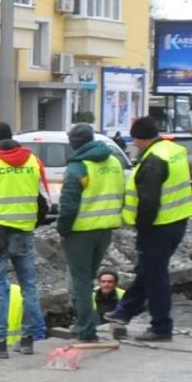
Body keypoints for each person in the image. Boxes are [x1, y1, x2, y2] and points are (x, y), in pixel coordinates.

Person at [106, 115, 192, 342]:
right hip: (177, 220)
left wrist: (141, 228)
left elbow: (148, 203)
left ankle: (161, 327)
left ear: (141, 139)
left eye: (135, 140)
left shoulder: (154, 161)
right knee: (147, 270)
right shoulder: (173, 150)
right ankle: (124, 312)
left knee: (156, 277)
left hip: (158, 227)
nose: (134, 144)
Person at [0, 121, 49, 358]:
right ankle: (27, 340)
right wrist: (33, 223)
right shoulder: (33, 161)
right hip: (23, 232)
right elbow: (45, 199)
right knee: (30, 286)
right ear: (12, 136)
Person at [55, 123, 126, 342]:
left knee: (81, 282)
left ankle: (86, 329)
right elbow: (121, 193)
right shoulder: (114, 161)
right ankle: (85, 323)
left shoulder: (79, 167)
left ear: (73, 143)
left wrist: (62, 230)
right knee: (85, 279)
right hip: (105, 228)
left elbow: (68, 205)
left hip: (81, 231)